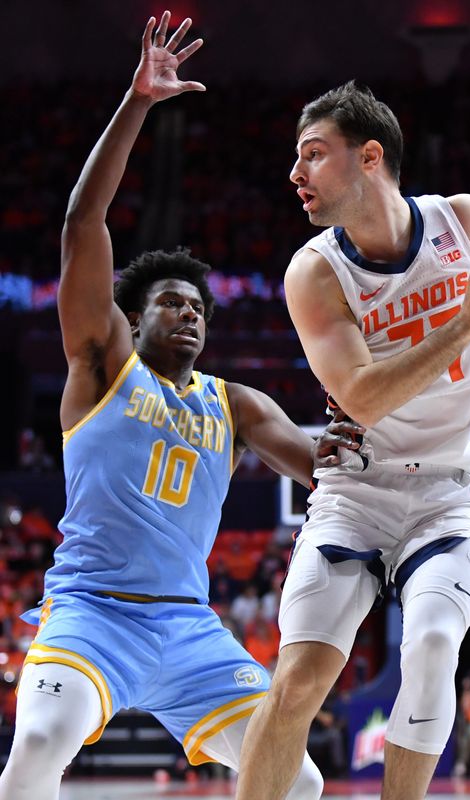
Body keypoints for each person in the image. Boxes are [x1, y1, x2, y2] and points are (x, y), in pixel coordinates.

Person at [0, 14, 361, 800]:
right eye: (172, 302)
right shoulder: (101, 365)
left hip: (189, 631)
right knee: (36, 743)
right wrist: (136, 103)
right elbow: (81, 224)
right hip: (91, 614)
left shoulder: (232, 403)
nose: (191, 313)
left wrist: (381, 458)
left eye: (199, 306)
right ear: (134, 319)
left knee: (298, 778)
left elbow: (320, 470)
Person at [236, 82, 470, 799]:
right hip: (356, 493)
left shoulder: (465, 222)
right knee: (299, 678)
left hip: (451, 492)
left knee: (434, 645)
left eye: (313, 155)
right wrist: (467, 322)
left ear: (369, 156)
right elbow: (363, 396)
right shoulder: (316, 272)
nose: (296, 174)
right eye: (296, 159)